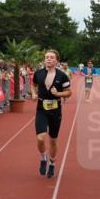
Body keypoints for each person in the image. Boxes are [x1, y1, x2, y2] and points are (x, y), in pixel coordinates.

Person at [30, 50, 71, 179]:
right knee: (40, 138)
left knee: (53, 140)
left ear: (56, 60)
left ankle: (52, 163)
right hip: (41, 108)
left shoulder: (62, 76)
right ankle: (43, 158)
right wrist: (34, 93)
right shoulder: (38, 73)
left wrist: (58, 94)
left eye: (51, 57)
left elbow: (69, 92)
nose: (48, 59)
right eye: (47, 57)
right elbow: (33, 85)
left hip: (55, 110)